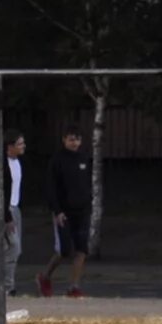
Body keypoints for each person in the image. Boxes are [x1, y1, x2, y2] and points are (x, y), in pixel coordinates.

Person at [43, 128, 91, 299]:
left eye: (77, 139)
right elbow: (51, 188)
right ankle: (45, 276)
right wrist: (57, 211)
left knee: (81, 249)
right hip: (64, 212)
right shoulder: (57, 160)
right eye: (71, 139)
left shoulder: (84, 158)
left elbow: (86, 184)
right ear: (64, 140)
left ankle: (74, 286)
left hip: (82, 211)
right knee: (64, 250)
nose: (74, 143)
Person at [0, 132, 29, 295]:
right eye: (19, 144)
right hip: (7, 209)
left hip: (15, 208)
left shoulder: (18, 163)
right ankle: (8, 286)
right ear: (10, 147)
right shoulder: (3, 165)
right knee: (13, 247)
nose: (23, 146)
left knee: (11, 250)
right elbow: (1, 192)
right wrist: (7, 216)